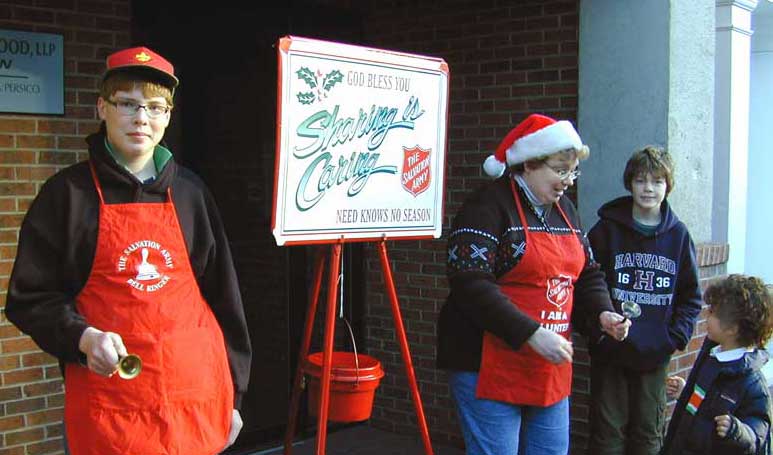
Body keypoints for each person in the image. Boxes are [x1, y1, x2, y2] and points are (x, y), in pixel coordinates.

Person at [5, 46, 252, 454]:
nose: (142, 118)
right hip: (111, 410)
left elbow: (226, 299)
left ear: (169, 115)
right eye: (128, 104)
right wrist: (82, 338)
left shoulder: (191, 193)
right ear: (102, 108)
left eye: (156, 107)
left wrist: (235, 395)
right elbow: (29, 299)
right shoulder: (67, 195)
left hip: (195, 397)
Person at [437, 113, 630, 455]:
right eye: (559, 170)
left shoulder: (565, 209)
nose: (568, 181)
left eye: (573, 171)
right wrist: (530, 333)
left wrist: (602, 312)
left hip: (547, 365)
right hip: (488, 363)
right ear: (528, 164)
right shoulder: (486, 206)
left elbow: (588, 273)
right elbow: (470, 282)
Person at [586, 146, 703, 455]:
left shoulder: (678, 236)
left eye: (657, 181)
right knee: (606, 436)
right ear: (630, 183)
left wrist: (673, 337)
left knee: (648, 436)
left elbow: (691, 297)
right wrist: (597, 334)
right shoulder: (606, 230)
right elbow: (584, 284)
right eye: (640, 180)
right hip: (611, 353)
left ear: (668, 185)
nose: (648, 189)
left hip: (654, 355)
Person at [661, 274, 772, 455]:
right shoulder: (713, 359)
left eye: (712, 312)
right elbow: (703, 403)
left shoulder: (752, 384)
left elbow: (758, 432)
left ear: (732, 329)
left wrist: (737, 431)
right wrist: (686, 394)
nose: (706, 316)